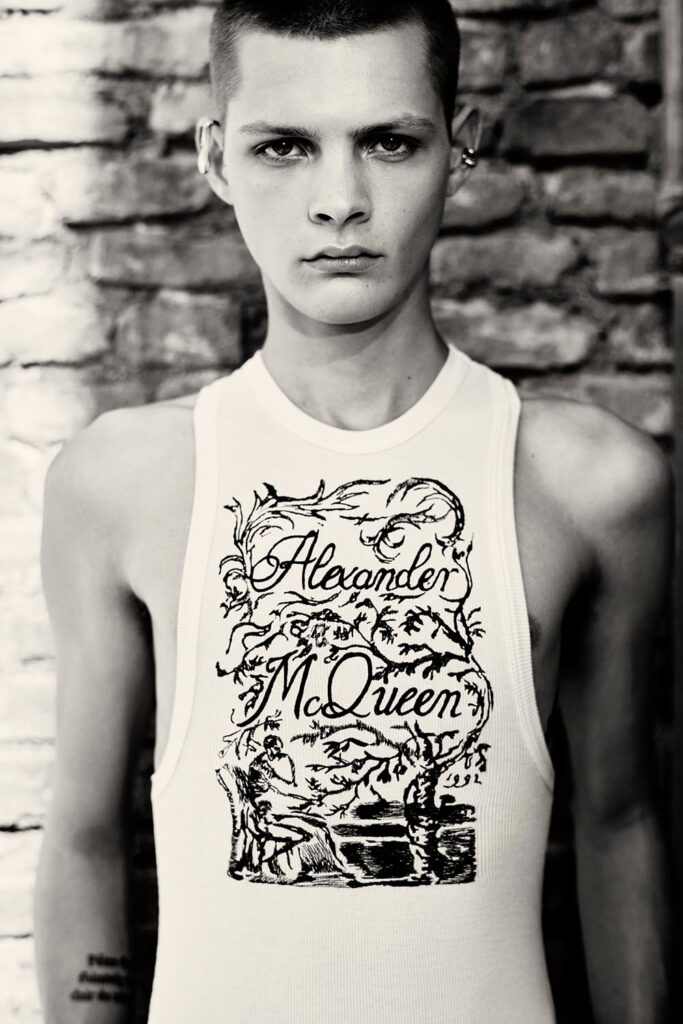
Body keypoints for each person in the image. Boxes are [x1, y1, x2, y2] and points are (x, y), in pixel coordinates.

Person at [34, 1, 673, 1022]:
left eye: (387, 142)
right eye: (284, 146)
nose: (339, 202)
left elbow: (619, 820)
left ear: (459, 149)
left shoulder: (589, 483)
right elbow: (83, 836)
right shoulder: (122, 481)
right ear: (215, 158)